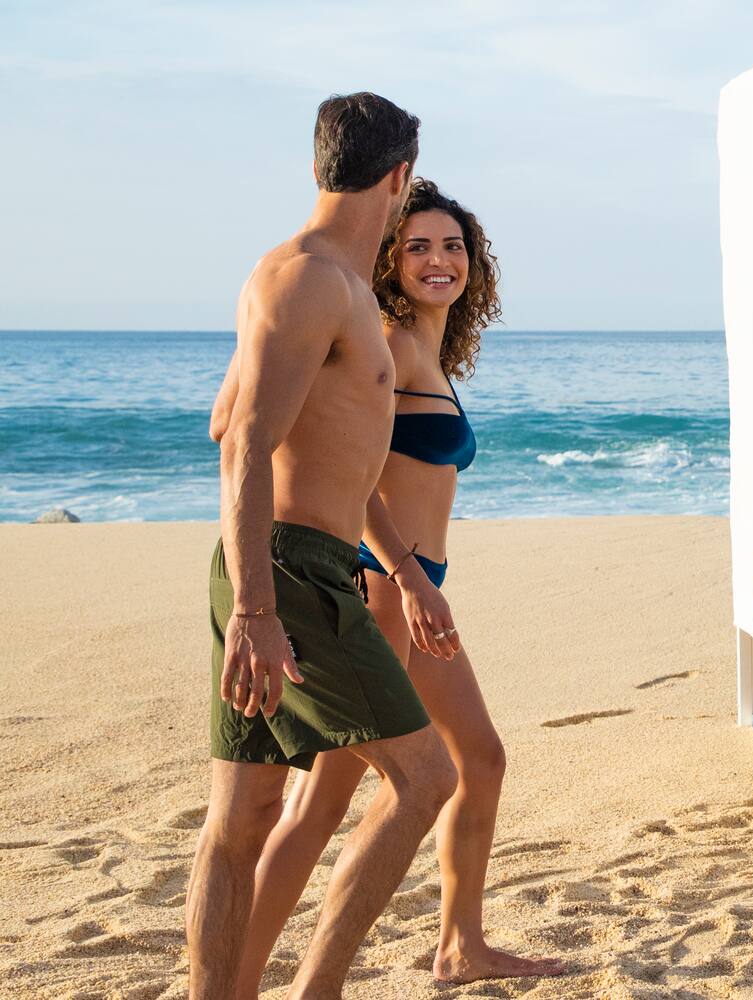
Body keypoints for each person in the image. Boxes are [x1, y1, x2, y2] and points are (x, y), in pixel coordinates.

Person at [236, 180, 563, 986]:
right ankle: (238, 978)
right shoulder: (384, 339)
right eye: (417, 245)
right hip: (385, 590)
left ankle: (459, 945)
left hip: (419, 591)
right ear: (389, 258)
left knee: (480, 759)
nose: (438, 260)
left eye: (452, 246)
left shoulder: (429, 352)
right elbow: (353, 480)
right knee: (321, 808)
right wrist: (410, 577)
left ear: (473, 262)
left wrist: (423, 580)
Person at [191, 93, 459, 1000]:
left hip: (301, 562)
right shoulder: (306, 280)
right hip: (290, 573)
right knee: (427, 779)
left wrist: (408, 573)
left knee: (246, 816)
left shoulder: (318, 283)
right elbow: (240, 442)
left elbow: (245, 423)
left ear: (319, 167)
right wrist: (259, 608)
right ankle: (318, 992)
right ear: (399, 178)